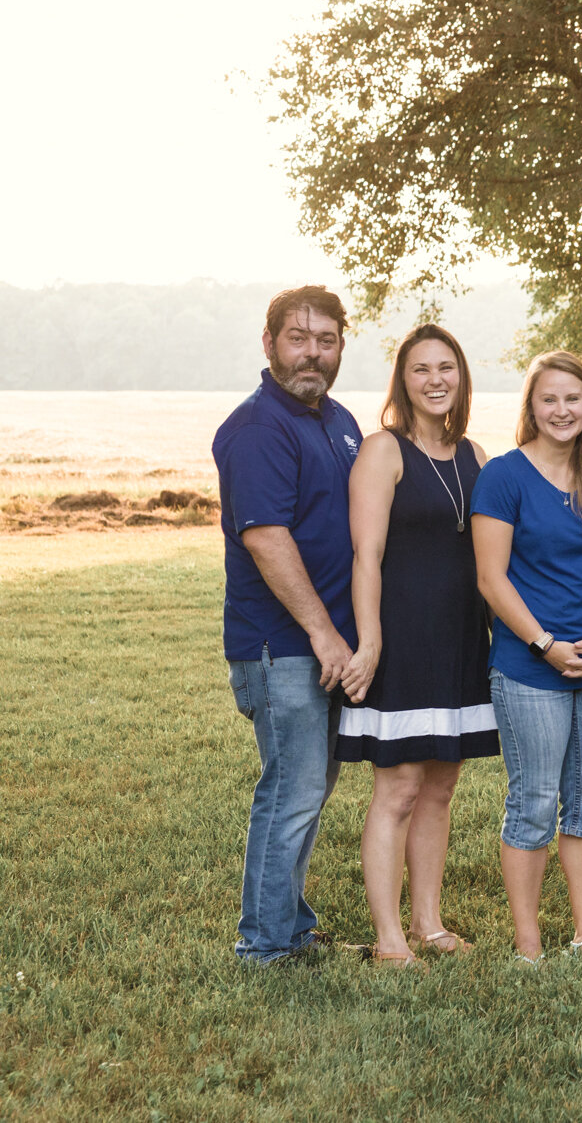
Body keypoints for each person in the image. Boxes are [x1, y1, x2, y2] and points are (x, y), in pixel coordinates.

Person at [213, 285, 363, 964]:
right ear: (269, 342)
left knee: (310, 786)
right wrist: (325, 633)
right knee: (292, 788)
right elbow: (267, 538)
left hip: (324, 648)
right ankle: (264, 945)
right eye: (298, 337)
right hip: (283, 648)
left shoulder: (338, 421)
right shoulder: (257, 427)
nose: (313, 352)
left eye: (325, 339)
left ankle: (292, 926)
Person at [339, 324, 497, 968]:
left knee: (440, 787)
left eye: (446, 368)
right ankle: (389, 939)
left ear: (461, 377)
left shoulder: (476, 454)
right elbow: (366, 556)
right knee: (398, 788)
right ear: (402, 381)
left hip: (461, 639)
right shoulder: (384, 450)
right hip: (402, 639)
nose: (435, 380)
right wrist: (370, 639)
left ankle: (429, 924)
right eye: (420, 369)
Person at [470, 351, 582, 962]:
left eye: (573, 398)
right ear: (531, 408)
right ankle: (528, 941)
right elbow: (492, 578)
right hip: (529, 666)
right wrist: (546, 644)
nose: (562, 410)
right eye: (550, 399)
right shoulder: (505, 477)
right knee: (535, 800)